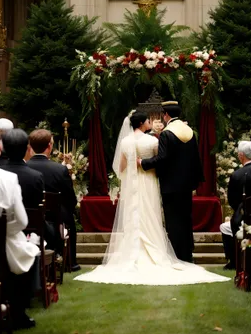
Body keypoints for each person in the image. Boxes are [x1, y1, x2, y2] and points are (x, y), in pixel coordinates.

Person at [74, 110, 229, 285]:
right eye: (148, 120)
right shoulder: (153, 140)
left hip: (133, 184)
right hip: (148, 182)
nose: (151, 121)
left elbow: (122, 167)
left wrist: (135, 165)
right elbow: (164, 160)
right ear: (142, 123)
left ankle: (133, 250)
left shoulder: (125, 142)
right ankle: (157, 249)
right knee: (151, 213)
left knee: (135, 214)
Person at [0, 124, 38, 329]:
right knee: (28, 251)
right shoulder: (8, 179)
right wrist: (2, 232)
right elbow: (22, 221)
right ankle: (17, 312)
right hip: (1, 245)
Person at [139, 101, 204, 262]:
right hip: (187, 185)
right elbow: (196, 159)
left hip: (170, 186)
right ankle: (188, 254)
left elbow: (162, 159)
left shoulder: (167, 134)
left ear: (166, 114)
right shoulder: (189, 131)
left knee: (173, 222)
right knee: (186, 219)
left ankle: (176, 255)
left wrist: (143, 163)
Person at [27, 129, 80, 271]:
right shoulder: (59, 169)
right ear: (49, 146)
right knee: (68, 216)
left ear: (30, 146)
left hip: (29, 216)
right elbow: (70, 197)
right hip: (57, 217)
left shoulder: (24, 168)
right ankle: (71, 262)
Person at [220, 140, 251, 270]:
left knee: (225, 227)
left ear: (241, 156)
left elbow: (233, 201)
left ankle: (234, 260)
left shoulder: (237, 175)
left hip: (246, 218)